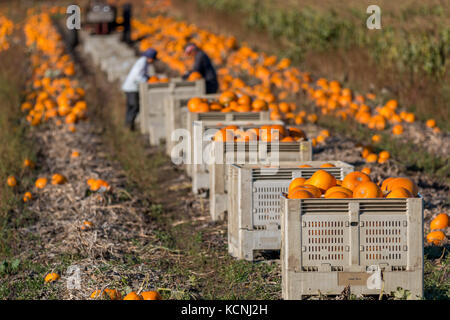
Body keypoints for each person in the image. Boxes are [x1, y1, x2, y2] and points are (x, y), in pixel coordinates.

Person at [121, 48, 157, 131]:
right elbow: (137, 76)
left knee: (131, 107)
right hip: (131, 88)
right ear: (150, 58)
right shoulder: (142, 62)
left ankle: (129, 125)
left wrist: (148, 77)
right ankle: (129, 125)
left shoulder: (144, 62)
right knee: (134, 106)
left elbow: (142, 74)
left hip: (131, 87)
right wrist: (147, 80)